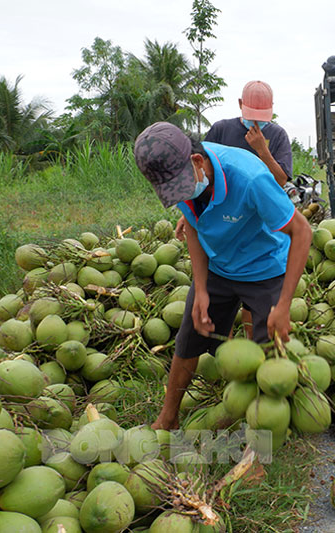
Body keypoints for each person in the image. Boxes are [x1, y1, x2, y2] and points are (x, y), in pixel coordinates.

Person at [134, 121, 312, 430]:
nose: (181, 194)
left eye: (181, 187)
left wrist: (283, 306)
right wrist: (200, 288)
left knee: (268, 358)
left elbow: (302, 231)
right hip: (219, 267)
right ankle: (168, 418)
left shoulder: (250, 177)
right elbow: (192, 223)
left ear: (197, 161)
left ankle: (260, 448)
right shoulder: (184, 177)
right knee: (188, 339)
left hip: (263, 267)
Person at [176, 80, 293, 338]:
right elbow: (198, 172)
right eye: (251, 116)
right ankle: (226, 349)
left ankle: (251, 342)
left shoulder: (278, 135)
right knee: (222, 300)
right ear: (240, 105)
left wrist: (262, 149)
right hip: (222, 226)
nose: (256, 123)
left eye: (263, 118)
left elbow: (282, 180)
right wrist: (188, 215)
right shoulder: (221, 130)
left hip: (257, 228)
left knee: (253, 296)